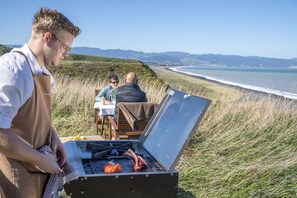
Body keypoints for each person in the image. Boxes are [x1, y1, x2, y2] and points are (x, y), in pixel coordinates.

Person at [0, 7, 80, 197]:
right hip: (15, 177)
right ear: (47, 38)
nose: (66, 54)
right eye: (64, 47)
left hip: (36, 175)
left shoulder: (44, 74)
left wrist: (53, 136)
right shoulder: (14, 69)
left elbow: (31, 119)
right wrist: (39, 160)